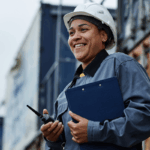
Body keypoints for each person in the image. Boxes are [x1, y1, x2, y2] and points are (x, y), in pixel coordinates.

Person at [41, 2, 150, 150]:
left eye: (83, 30)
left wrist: (94, 131)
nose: (75, 37)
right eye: (71, 33)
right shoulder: (63, 96)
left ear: (103, 35)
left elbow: (145, 116)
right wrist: (53, 140)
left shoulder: (119, 65)